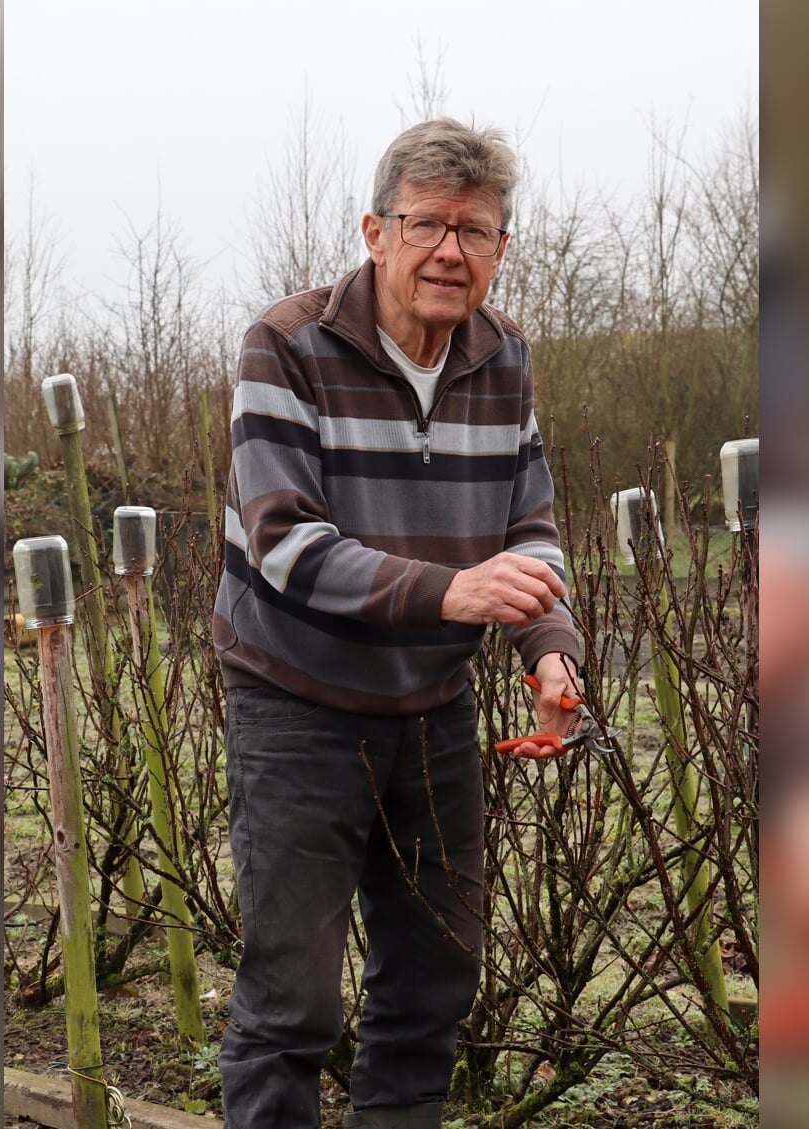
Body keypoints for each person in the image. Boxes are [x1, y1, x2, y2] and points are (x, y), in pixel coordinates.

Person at [211, 118, 584, 1128]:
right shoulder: (286, 344)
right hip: (297, 707)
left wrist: (551, 655)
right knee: (292, 1004)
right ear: (375, 231)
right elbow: (283, 544)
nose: (451, 252)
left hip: (434, 718)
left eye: (478, 232)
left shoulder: (504, 359)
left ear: (502, 249)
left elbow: (531, 527)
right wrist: (449, 592)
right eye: (428, 225)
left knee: (431, 991)